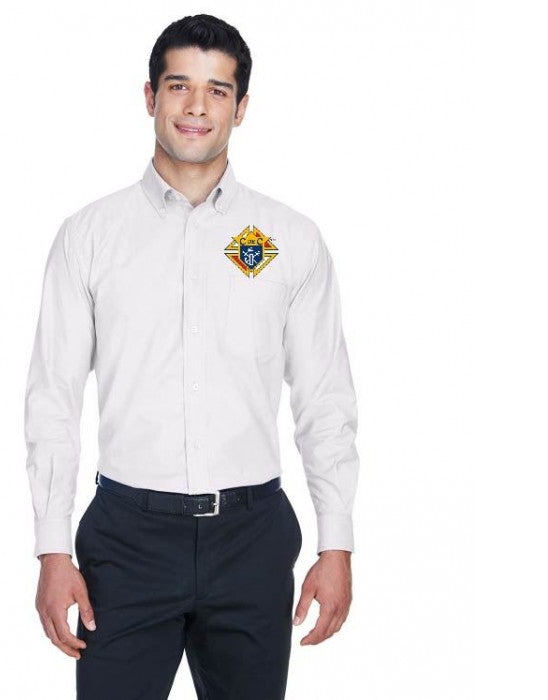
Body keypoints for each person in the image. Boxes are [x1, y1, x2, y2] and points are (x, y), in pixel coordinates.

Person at [24, 13, 360, 699]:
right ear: (150, 96)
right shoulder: (90, 236)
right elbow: (53, 397)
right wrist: (52, 548)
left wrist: (337, 542)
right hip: (126, 540)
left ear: (242, 106)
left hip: (252, 538)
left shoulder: (288, 239)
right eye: (179, 86)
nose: (197, 106)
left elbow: (324, 397)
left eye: (217, 90)